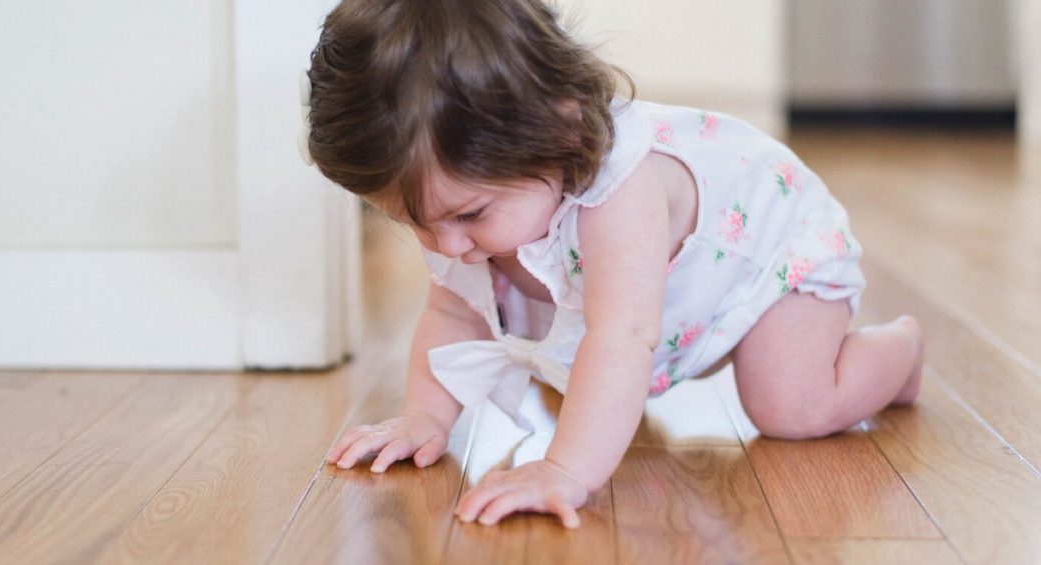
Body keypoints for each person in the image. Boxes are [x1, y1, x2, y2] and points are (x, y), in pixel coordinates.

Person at [305, 0, 925, 529]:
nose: (444, 244)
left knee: (790, 406)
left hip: (768, 253)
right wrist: (425, 417)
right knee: (560, 361)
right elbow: (454, 313)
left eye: (468, 216)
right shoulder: (470, 210)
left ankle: (898, 355)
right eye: (413, 221)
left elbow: (623, 334)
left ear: (561, 133)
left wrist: (565, 469)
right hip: (681, 287)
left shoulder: (620, 197)